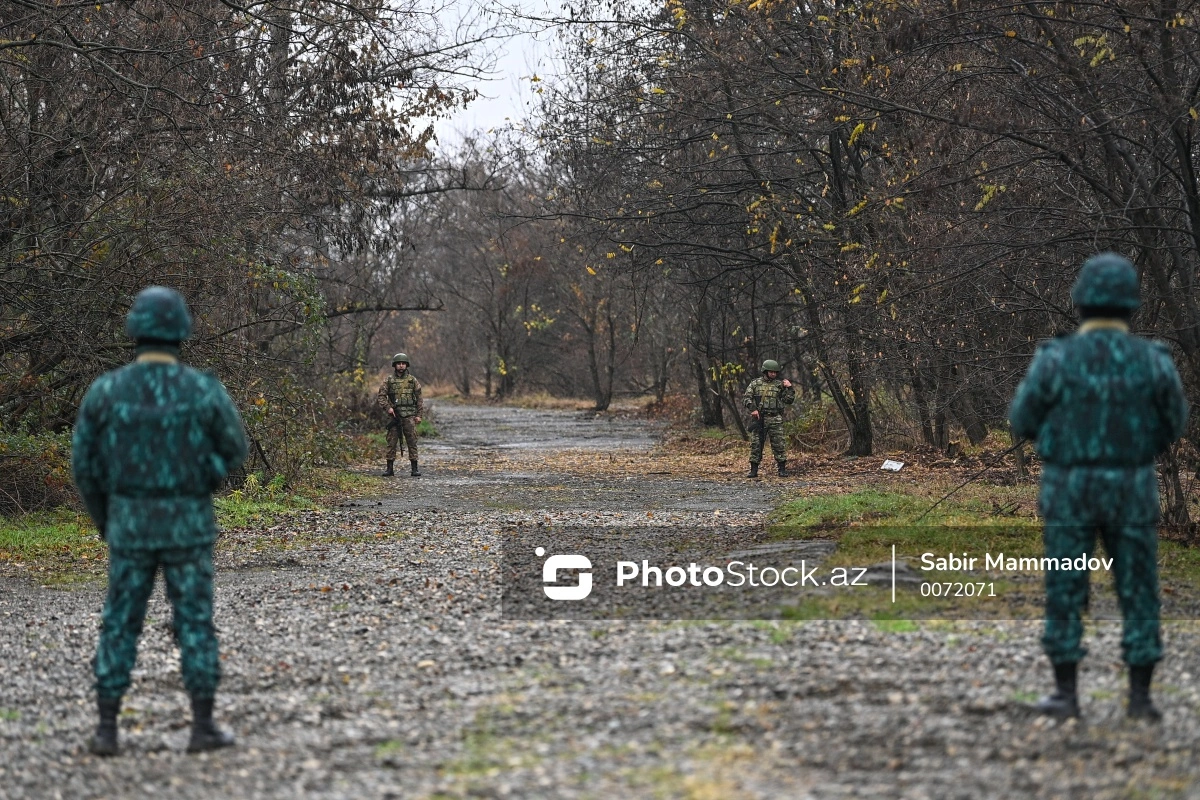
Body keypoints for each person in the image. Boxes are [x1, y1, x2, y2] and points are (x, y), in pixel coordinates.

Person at [1009, 253, 1188, 720]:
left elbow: (1021, 418)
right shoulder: (1153, 361)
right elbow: (1175, 422)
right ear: (1132, 303)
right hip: (1131, 485)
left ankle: (1066, 694)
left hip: (1069, 485)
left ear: (1081, 300)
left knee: (1066, 583)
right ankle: (1140, 697)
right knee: (1138, 586)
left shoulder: (1056, 358)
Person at [72, 286, 248, 755]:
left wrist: (107, 518)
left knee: (120, 621)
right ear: (181, 330)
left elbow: (83, 466)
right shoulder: (202, 390)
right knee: (194, 619)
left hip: (129, 523)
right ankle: (202, 724)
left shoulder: (106, 391)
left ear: (135, 329)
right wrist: (202, 478)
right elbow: (235, 450)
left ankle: (107, 728)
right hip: (187, 524)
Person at [742, 359, 796, 477]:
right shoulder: (755, 384)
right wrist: (753, 409)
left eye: (775, 372)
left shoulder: (779, 385)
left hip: (775, 418)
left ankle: (782, 469)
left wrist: (789, 388)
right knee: (756, 444)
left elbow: (788, 400)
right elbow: (747, 398)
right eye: (771, 372)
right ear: (765, 371)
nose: (773, 374)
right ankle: (754, 470)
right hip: (759, 418)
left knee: (779, 444)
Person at [376, 352, 423, 477]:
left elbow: (419, 398)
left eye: (403, 364)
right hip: (394, 416)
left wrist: (419, 415)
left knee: (412, 441)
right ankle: (389, 468)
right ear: (395, 365)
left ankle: (414, 468)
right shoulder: (389, 380)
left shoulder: (412, 380)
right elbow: (381, 396)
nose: (401, 366)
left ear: (406, 365)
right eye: (399, 364)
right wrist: (388, 408)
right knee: (391, 442)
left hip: (409, 415)